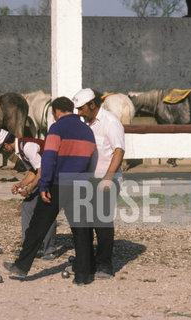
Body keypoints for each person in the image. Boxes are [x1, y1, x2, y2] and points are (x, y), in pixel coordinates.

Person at [3, 96, 97, 285]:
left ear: (56, 112)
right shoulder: (88, 131)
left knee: (38, 226)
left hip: (58, 184)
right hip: (80, 183)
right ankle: (83, 276)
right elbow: (90, 160)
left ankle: (21, 266)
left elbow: (49, 158)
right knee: (81, 231)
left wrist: (44, 185)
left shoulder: (57, 128)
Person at [71, 88, 125, 279]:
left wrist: (108, 178)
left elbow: (119, 150)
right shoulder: (85, 125)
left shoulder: (110, 122)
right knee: (84, 223)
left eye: (81, 108)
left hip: (107, 180)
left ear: (92, 105)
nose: (79, 113)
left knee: (102, 222)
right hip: (88, 180)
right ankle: (87, 261)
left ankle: (105, 265)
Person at [0, 129, 57, 260]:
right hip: (45, 176)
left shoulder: (27, 147)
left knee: (47, 210)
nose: (4, 152)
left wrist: (29, 188)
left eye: (2, 149)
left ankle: (49, 250)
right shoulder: (20, 149)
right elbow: (33, 172)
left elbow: (41, 171)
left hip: (54, 176)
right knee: (26, 207)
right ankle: (28, 247)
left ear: (6, 145)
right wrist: (21, 184)